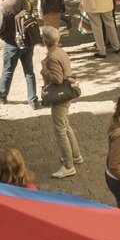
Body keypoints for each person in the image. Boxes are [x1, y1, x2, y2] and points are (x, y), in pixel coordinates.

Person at [0, 0, 39, 108]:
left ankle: (2, 95)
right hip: (28, 41)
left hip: (12, 44)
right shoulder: (25, 0)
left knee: (8, 70)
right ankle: (33, 100)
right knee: (29, 72)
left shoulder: (4, 7)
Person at [40, 25, 80, 178]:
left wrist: (45, 70)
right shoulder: (61, 51)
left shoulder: (52, 57)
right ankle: (76, 156)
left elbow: (57, 79)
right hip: (67, 93)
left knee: (60, 131)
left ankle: (68, 166)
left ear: (45, 41)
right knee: (66, 125)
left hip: (60, 96)